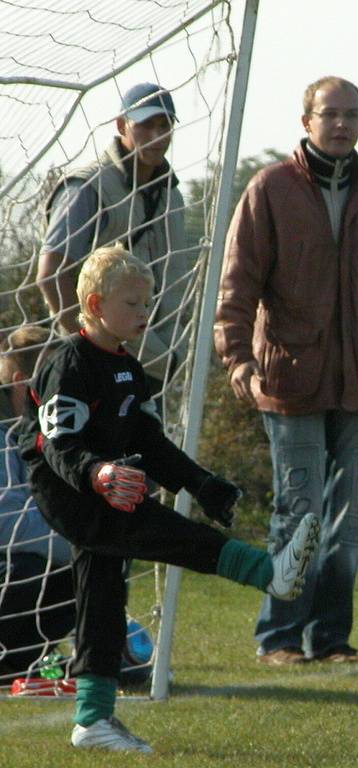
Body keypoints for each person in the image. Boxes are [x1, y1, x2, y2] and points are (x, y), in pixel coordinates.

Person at [18, 245, 320, 753]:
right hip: (72, 492)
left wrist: (201, 484)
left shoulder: (130, 370)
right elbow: (59, 446)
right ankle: (270, 574)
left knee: (104, 600)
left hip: (106, 490)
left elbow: (152, 445)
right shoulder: (68, 363)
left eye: (147, 302)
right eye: (132, 304)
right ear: (94, 304)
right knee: (171, 535)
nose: (144, 313)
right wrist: (98, 473)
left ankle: (92, 721)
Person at [214, 75, 358, 666]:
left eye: (352, 115)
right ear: (306, 121)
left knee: (350, 519)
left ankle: (332, 639)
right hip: (290, 380)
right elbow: (236, 285)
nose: (341, 124)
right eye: (330, 114)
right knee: (301, 510)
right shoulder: (269, 191)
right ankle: (279, 638)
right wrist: (237, 357)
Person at [38, 82, 190, 387]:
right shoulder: (88, 187)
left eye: (164, 125)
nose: (156, 136)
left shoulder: (172, 195)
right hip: (100, 365)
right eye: (145, 125)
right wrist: (86, 349)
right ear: (121, 125)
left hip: (155, 360)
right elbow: (52, 273)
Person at [0, 326, 74, 678]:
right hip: (12, 567)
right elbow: (8, 523)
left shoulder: (57, 432)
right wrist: (79, 539)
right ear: (19, 382)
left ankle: (23, 661)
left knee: (103, 566)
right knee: (26, 569)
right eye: (53, 377)